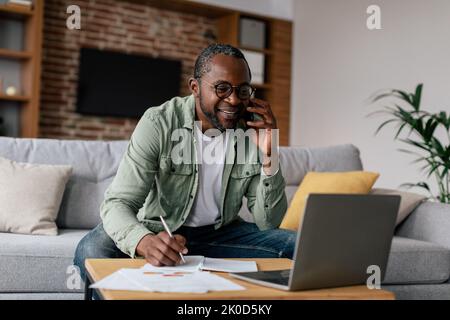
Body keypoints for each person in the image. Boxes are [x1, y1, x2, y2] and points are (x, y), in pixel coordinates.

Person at [74, 44, 296, 281]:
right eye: (222, 88)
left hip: (222, 233)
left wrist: (270, 154)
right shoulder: (159, 122)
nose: (233, 100)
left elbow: (268, 222)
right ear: (195, 87)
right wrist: (144, 241)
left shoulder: (252, 130)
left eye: (242, 91)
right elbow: (118, 202)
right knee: (92, 250)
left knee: (297, 246)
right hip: (160, 230)